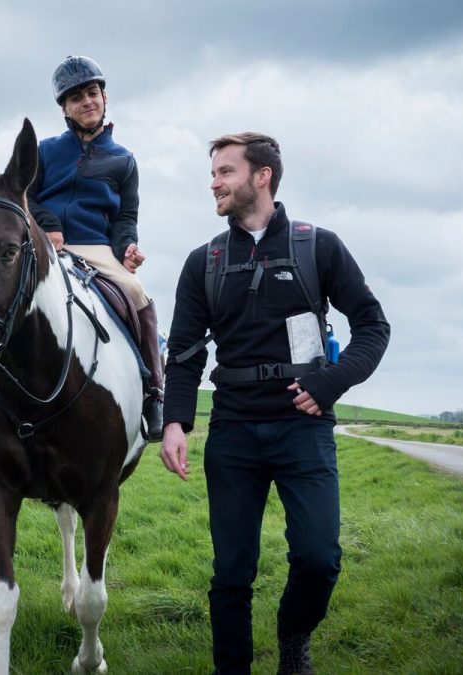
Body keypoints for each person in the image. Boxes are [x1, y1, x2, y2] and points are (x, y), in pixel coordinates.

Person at [159, 133, 390, 674]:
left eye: (224, 171)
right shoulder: (205, 262)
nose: (213, 182)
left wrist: (331, 383)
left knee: (318, 559)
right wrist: (175, 422)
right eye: (213, 172)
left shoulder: (318, 246)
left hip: (303, 427)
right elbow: (187, 352)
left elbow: (373, 327)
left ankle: (292, 639)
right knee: (231, 572)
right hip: (234, 430)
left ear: (261, 176)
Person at [27, 55, 164, 440]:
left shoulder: (124, 160)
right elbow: (25, 197)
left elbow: (125, 218)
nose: (86, 101)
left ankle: (155, 391)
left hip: (95, 248)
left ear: (104, 97)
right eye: (76, 98)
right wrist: (49, 226)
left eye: (92, 93)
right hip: (44, 242)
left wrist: (128, 248)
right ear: (65, 109)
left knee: (138, 293)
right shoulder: (45, 150)